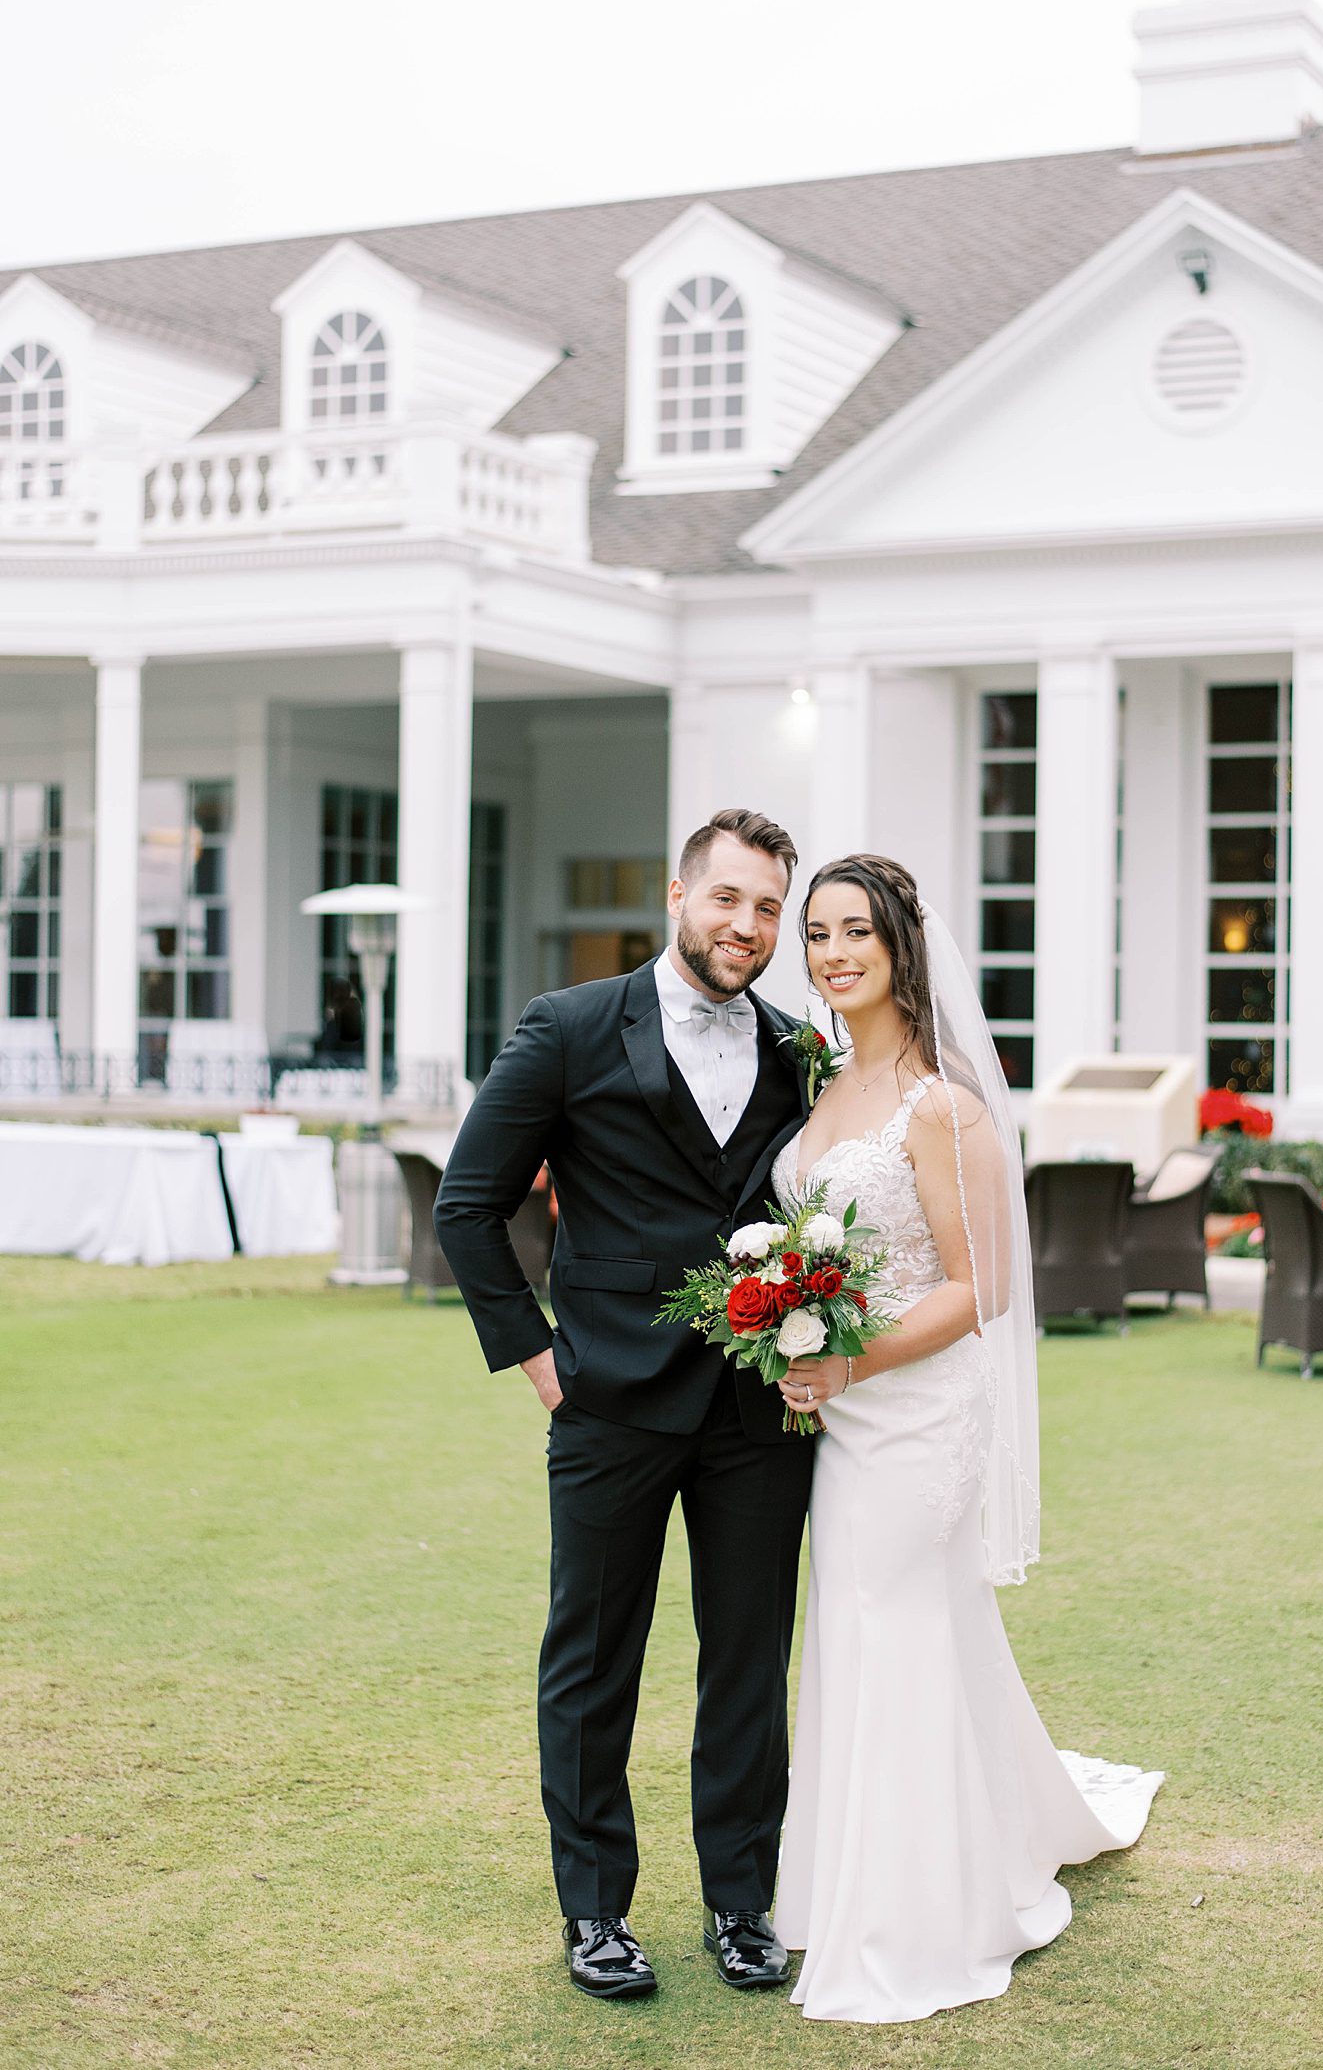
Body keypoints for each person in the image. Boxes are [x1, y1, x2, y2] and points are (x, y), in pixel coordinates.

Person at [769, 853, 1163, 2023]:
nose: (835, 954)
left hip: (918, 1413)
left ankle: (911, 1919)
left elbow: (982, 1286)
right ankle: (864, 1878)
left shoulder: (943, 1105)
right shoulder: (825, 1086)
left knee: (887, 1623)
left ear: (902, 948)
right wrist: (794, 1333)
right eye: (820, 934)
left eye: (857, 934)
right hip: (844, 1417)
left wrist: (850, 1356)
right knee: (864, 1627)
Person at [434, 809, 812, 2002]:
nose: (746, 927)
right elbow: (468, 1204)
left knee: (748, 1664)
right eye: (729, 900)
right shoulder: (569, 1027)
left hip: (762, 1409)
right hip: (607, 1399)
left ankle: (742, 1904)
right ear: (678, 896)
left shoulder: (806, 1049)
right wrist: (539, 1359)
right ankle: (595, 1912)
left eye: (767, 909)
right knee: (594, 1661)